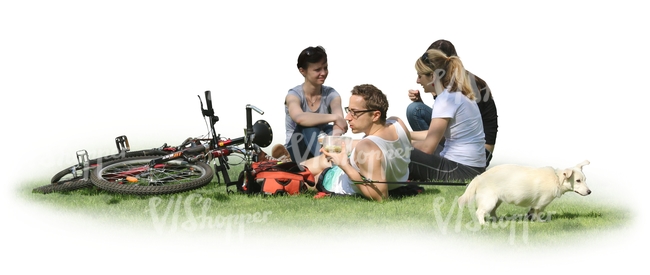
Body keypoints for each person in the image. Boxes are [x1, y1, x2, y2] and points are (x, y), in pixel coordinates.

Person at [283, 84, 412, 202]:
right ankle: (284, 165)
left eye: (354, 112)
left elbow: (381, 196)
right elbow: (385, 148)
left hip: (337, 182)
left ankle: (278, 171)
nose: (347, 117)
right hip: (396, 182)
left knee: (297, 180)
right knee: (321, 160)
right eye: (348, 110)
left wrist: (344, 165)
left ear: (375, 115)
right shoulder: (397, 123)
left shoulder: (368, 147)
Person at [406, 39, 498, 166]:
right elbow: (454, 122)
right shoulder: (451, 88)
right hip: (466, 147)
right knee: (416, 109)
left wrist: (405, 139)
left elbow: (457, 126)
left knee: (407, 146)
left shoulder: (459, 88)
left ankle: (428, 149)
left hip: (478, 151)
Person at [283, 45, 348, 164]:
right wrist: (334, 117)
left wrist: (334, 139)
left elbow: (340, 125)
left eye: (325, 67)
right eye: (317, 70)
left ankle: (335, 158)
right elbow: (300, 118)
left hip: (321, 144)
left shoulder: (331, 94)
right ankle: (329, 164)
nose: (323, 73)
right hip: (297, 148)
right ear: (302, 71)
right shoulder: (293, 95)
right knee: (308, 126)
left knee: (330, 129)